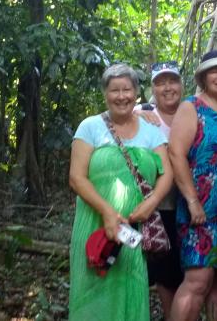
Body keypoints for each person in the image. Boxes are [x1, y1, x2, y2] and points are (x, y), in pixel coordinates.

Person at [68, 63, 174, 321]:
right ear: (105, 94)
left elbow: (167, 173)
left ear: (137, 93)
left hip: (133, 228)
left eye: (127, 89)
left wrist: (153, 202)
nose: (121, 96)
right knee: (92, 289)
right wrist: (107, 212)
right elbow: (76, 177)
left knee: (130, 284)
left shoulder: (151, 131)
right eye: (114, 90)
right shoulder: (90, 127)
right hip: (94, 222)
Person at [168, 50, 217, 321]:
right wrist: (191, 200)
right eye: (215, 71)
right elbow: (176, 154)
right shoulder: (192, 107)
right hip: (200, 208)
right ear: (203, 76)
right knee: (197, 280)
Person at [134, 61, 185, 319]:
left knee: (182, 269)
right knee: (163, 271)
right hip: (156, 204)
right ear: (152, 87)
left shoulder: (192, 112)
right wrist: (137, 114)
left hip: (189, 203)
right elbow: (113, 122)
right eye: (161, 82)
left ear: (181, 85)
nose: (167, 88)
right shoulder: (142, 112)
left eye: (172, 81)